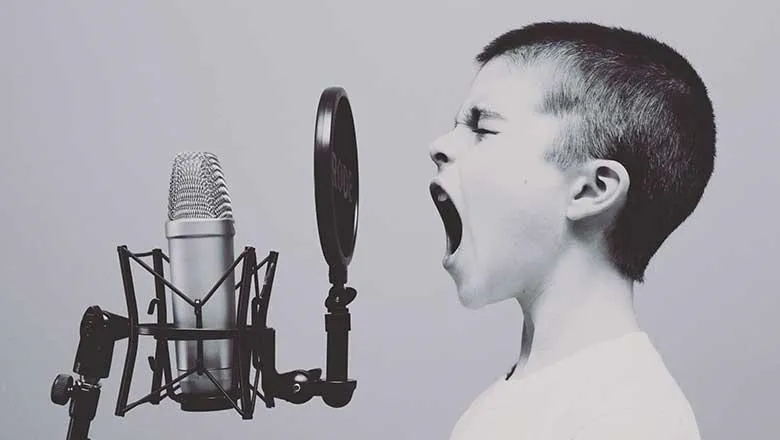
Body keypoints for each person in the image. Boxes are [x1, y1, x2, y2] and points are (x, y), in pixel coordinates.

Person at [428, 21, 715, 440]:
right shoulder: (515, 397)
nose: (440, 145)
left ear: (591, 189)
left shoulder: (628, 419)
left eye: (484, 128)